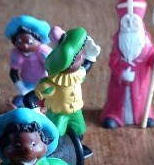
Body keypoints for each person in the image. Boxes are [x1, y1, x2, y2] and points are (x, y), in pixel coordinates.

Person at [23, 27, 101, 157]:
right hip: (58, 113)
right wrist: (34, 110)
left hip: (75, 111)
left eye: (80, 53)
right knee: (55, 134)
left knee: (79, 130)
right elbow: (30, 97)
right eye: (77, 56)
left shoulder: (78, 74)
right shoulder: (52, 83)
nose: (81, 56)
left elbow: (86, 68)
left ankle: (77, 148)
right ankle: (55, 152)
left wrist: (91, 57)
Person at [100, 0, 154, 128]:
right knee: (117, 99)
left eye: (134, 21)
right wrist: (122, 73)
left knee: (141, 97)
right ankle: (114, 116)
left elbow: (153, 59)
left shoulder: (146, 42)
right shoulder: (119, 40)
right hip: (120, 83)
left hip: (140, 81)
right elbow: (113, 61)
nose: (130, 25)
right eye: (127, 21)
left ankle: (144, 115)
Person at [5, 16, 52, 107]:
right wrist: (21, 87)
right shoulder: (16, 54)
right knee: (26, 101)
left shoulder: (43, 51)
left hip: (44, 82)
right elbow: (13, 73)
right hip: (27, 83)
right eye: (19, 42)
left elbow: (52, 68)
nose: (25, 46)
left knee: (46, 101)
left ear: (39, 40)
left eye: (30, 42)